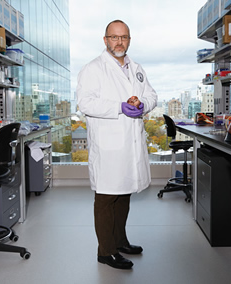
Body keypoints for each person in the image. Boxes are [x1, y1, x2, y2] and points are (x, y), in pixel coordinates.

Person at [76, 19, 158, 270]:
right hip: (108, 144)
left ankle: (120, 241)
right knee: (106, 198)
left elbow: (152, 94)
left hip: (130, 142)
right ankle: (106, 251)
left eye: (123, 37)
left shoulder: (136, 67)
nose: (119, 42)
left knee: (124, 195)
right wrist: (118, 108)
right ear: (105, 40)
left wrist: (143, 104)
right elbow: (85, 103)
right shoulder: (93, 68)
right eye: (114, 37)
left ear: (129, 40)